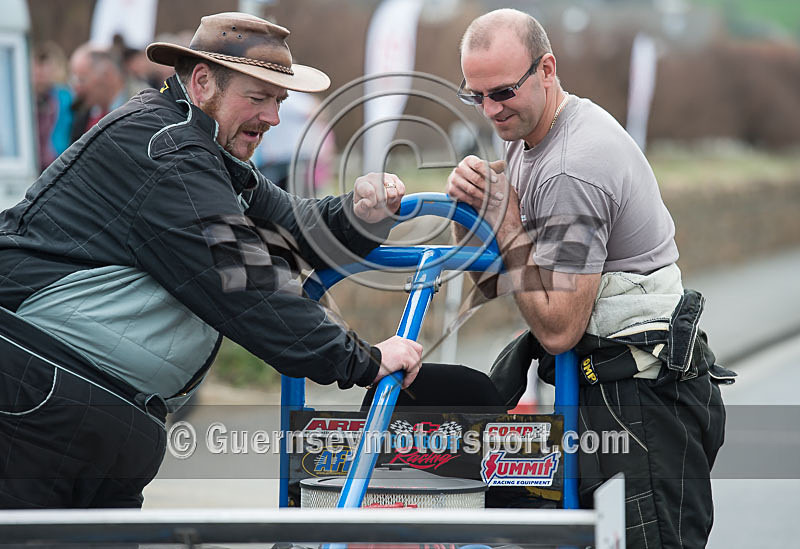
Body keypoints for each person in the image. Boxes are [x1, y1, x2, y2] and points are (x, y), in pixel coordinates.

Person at [0, 12, 421, 509]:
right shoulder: (169, 152)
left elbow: (292, 225)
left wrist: (361, 213)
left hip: (81, 411)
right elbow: (248, 286)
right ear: (202, 82)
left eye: (279, 101)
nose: (273, 118)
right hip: (43, 403)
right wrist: (366, 360)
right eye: (258, 98)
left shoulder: (203, 150)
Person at [445, 9, 734, 548]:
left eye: (502, 92)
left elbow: (559, 329)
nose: (490, 111)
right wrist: (481, 185)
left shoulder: (573, 166)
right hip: (613, 388)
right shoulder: (535, 131)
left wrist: (504, 218)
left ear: (547, 69)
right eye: (474, 95)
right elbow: (514, 267)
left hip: (643, 405)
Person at [32, 42, 74, 173]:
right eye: (38, 70)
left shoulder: (64, 97)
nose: (41, 75)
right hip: (35, 160)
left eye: (46, 69)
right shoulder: (26, 97)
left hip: (57, 160)